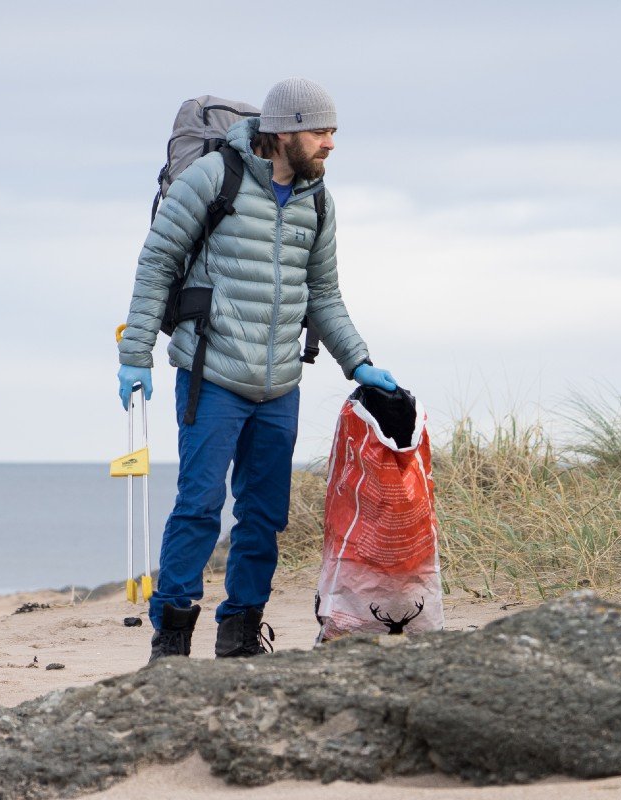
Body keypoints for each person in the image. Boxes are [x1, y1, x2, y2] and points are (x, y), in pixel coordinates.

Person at [116, 77, 397, 662]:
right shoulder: (214, 179)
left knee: (264, 515)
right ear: (286, 130)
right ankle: (171, 638)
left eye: (334, 133)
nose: (330, 145)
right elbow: (157, 262)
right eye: (321, 132)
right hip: (211, 374)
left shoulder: (319, 202)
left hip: (279, 384)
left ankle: (241, 634)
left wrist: (359, 361)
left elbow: (323, 292)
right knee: (198, 505)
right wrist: (135, 355)